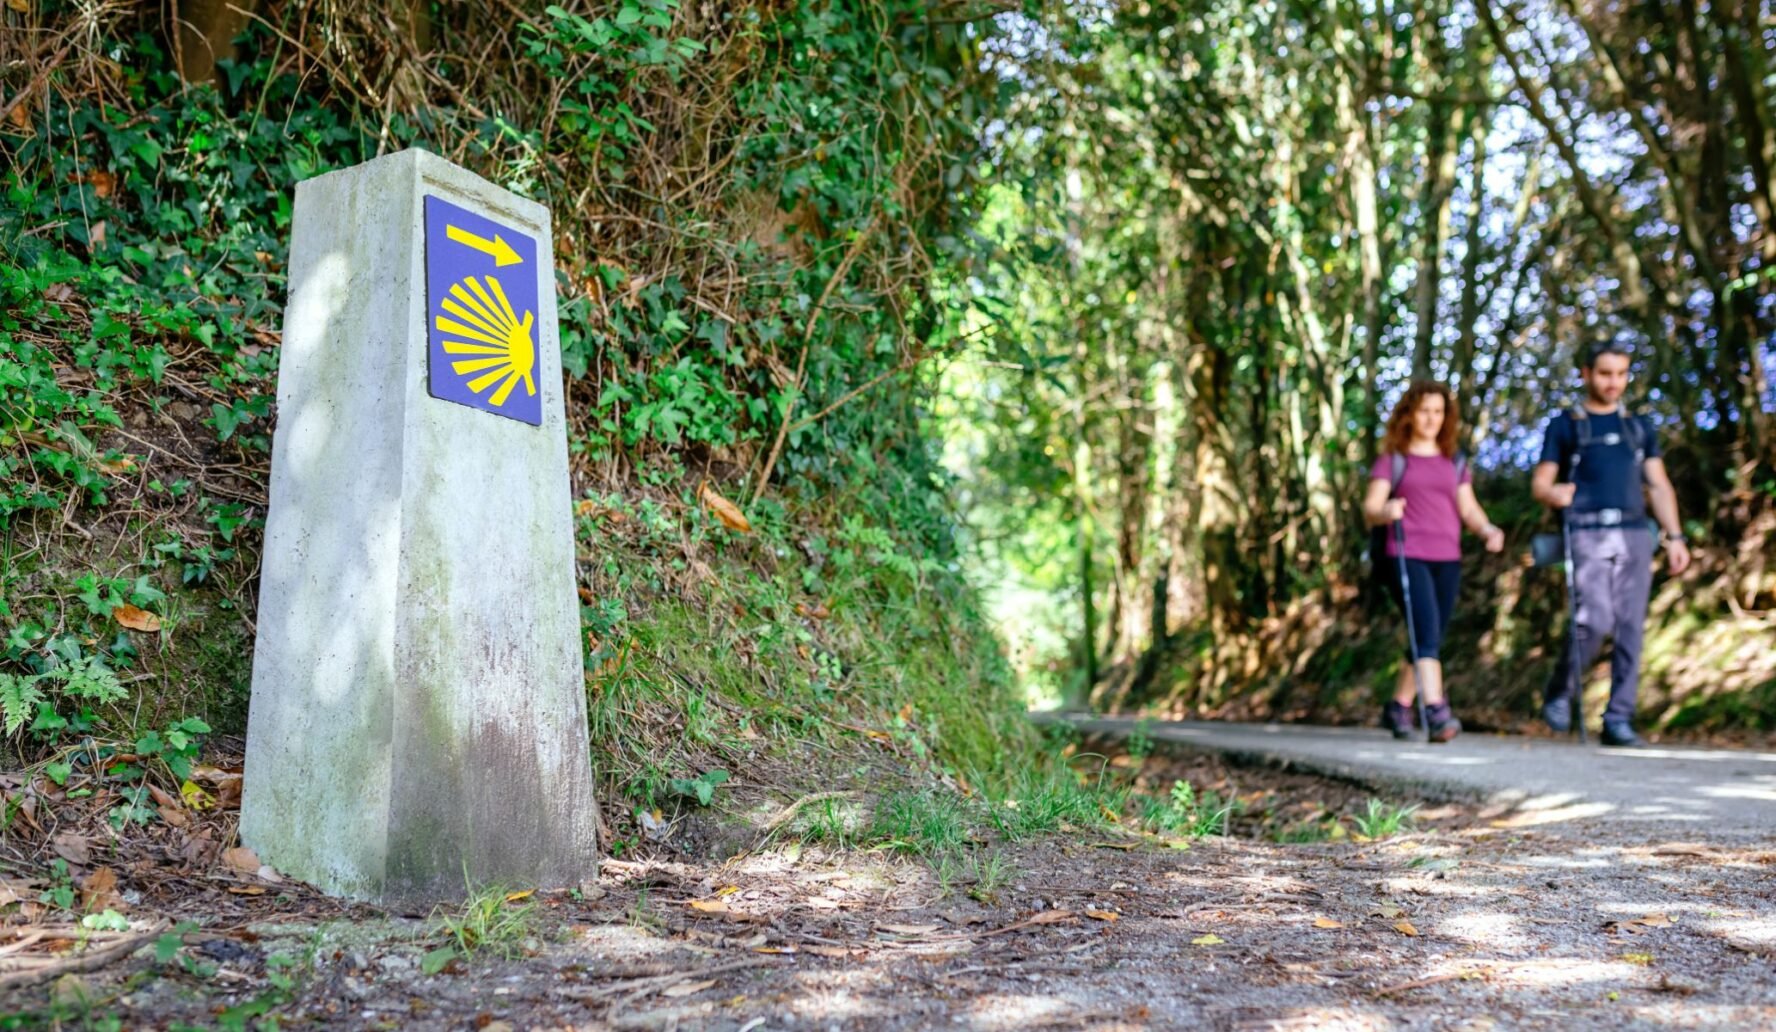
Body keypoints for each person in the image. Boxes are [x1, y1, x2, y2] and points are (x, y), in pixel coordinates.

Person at [1531, 340, 1691, 747]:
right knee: (1595, 620)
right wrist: (1555, 494)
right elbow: (1541, 483)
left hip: (1636, 533)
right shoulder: (1566, 425)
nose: (1613, 382)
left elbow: (1658, 485)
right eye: (1605, 373)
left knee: (1630, 629)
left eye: (1621, 374)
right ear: (1585, 374)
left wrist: (1675, 536)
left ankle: (1618, 718)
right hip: (1586, 532)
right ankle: (1561, 689)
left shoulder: (1638, 427)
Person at [1364, 382, 1507, 743]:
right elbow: (1370, 508)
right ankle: (1437, 710)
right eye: (1425, 410)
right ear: (1409, 414)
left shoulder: (1453, 460)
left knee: (1428, 636)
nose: (1431, 418)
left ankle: (1398, 706)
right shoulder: (1393, 459)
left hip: (1448, 557)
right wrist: (1386, 510)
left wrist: (1488, 529)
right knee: (1426, 631)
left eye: (1438, 411)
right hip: (1406, 554)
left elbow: (1468, 507)